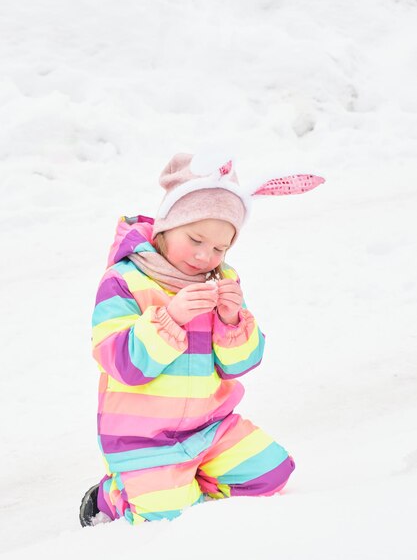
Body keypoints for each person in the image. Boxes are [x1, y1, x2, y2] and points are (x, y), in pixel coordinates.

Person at [79, 152, 324, 527]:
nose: (204, 255)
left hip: (210, 428)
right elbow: (122, 364)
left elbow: (239, 364)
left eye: (220, 248)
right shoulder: (124, 280)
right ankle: (114, 497)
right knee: (167, 517)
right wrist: (170, 318)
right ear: (166, 226)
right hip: (145, 440)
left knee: (273, 473)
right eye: (195, 239)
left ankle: (187, 483)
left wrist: (231, 320)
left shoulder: (220, 281)